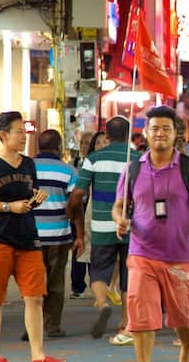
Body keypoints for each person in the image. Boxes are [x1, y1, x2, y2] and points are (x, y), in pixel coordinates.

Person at [111, 106, 189, 362]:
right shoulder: (133, 168)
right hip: (141, 253)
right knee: (141, 315)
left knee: (183, 318)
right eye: (155, 128)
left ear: (175, 135)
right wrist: (120, 220)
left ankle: (186, 353)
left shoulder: (188, 168)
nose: (159, 134)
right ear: (145, 132)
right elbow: (119, 206)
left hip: (180, 256)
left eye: (166, 129)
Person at [0, 111, 65, 362]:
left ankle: (38, 356)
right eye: (19, 132)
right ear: (4, 134)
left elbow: (28, 194)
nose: (23, 137)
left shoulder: (29, 164)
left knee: (35, 298)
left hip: (28, 240)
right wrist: (8, 206)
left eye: (24, 132)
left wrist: (35, 197)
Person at [68, 117, 140, 345]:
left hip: (101, 225)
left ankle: (103, 304)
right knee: (129, 277)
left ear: (106, 136)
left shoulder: (93, 159)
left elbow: (78, 194)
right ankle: (125, 324)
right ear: (129, 136)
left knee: (98, 271)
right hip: (132, 226)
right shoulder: (138, 159)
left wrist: (73, 213)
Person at [32, 130, 78, 338]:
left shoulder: (27, 168)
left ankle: (31, 326)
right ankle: (52, 326)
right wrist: (80, 234)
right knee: (56, 282)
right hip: (59, 235)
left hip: (31, 236)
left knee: (32, 282)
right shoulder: (68, 171)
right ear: (59, 147)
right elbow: (75, 205)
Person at [70, 131, 107, 300]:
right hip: (80, 209)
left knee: (97, 250)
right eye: (96, 143)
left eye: (103, 142)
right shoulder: (78, 163)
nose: (86, 146)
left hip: (96, 209)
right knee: (80, 247)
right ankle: (78, 286)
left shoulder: (106, 163)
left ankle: (97, 286)